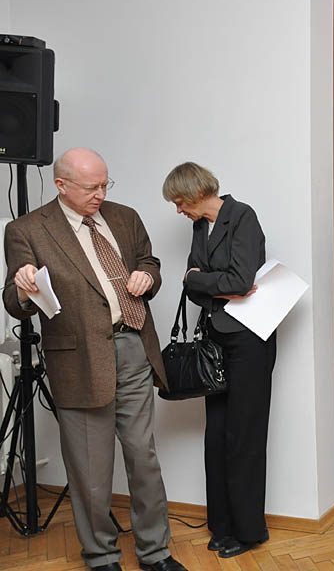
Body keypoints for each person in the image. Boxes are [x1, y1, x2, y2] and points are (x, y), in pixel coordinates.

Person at [2, 148, 186, 571]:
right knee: (90, 469)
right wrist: (25, 288)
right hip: (79, 361)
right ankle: (101, 555)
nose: (100, 194)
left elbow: (149, 261)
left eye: (105, 184)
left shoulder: (125, 217)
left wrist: (148, 275)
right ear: (61, 185)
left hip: (134, 348)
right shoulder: (26, 229)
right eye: (91, 187)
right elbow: (13, 300)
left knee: (143, 458)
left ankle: (155, 552)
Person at [161, 162, 274, 559]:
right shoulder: (200, 227)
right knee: (218, 435)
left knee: (244, 436)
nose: (179, 210)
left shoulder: (242, 216)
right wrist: (205, 283)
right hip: (215, 338)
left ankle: (248, 530)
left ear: (196, 192)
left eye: (180, 202)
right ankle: (221, 524)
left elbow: (240, 281)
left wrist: (200, 279)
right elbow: (193, 286)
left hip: (249, 340)